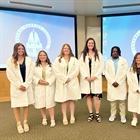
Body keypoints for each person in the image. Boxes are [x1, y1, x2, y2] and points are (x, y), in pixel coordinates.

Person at [6, 43, 34, 133]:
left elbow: (31, 74)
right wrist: (19, 85)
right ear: (15, 50)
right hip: (16, 87)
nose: (21, 50)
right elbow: (10, 75)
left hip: (27, 86)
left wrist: (25, 85)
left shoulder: (29, 60)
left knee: (26, 104)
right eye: (19, 49)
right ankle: (18, 123)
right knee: (16, 105)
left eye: (22, 49)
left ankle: (25, 122)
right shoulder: (10, 61)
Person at [53, 44, 81, 125]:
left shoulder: (74, 60)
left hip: (72, 81)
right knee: (64, 100)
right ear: (62, 49)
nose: (66, 49)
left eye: (67, 48)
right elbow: (56, 71)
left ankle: (72, 115)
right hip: (62, 82)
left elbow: (76, 71)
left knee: (72, 99)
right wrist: (64, 79)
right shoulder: (58, 59)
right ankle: (64, 116)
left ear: (70, 50)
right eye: (64, 48)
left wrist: (69, 78)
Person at [79, 37, 104, 123]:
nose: (90, 44)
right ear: (87, 44)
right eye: (89, 43)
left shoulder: (99, 54)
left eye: (92, 43)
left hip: (95, 79)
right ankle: (91, 113)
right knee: (88, 96)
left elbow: (101, 67)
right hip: (86, 80)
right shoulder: (83, 55)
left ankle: (97, 114)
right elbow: (80, 67)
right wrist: (86, 77)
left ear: (94, 44)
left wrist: (95, 76)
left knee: (96, 97)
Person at [104, 46, 128, 123]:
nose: (115, 52)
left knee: (122, 102)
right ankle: (113, 114)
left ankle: (122, 116)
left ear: (119, 52)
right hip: (112, 84)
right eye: (113, 51)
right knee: (112, 102)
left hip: (120, 84)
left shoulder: (123, 61)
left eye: (116, 51)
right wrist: (112, 82)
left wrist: (118, 82)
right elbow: (106, 72)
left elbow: (125, 72)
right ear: (111, 52)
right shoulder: (108, 61)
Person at [33, 50, 56, 127]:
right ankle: (44, 118)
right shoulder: (34, 66)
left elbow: (54, 75)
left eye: (44, 55)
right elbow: (32, 76)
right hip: (39, 86)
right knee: (41, 102)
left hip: (49, 86)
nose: (42, 56)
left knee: (50, 103)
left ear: (46, 56)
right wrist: (38, 81)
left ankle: (52, 119)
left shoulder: (51, 65)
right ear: (38, 57)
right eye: (41, 55)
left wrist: (48, 82)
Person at [127, 52, 140, 126]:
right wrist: (136, 89)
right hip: (134, 91)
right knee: (134, 104)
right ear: (135, 59)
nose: (138, 60)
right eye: (137, 58)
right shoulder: (131, 69)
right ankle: (134, 118)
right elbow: (129, 81)